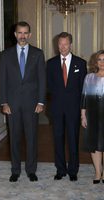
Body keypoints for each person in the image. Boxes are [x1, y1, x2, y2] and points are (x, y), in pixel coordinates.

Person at [0, 21, 46, 182]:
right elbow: (2, 81)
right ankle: (15, 170)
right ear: (15, 34)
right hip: (11, 104)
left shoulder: (38, 54)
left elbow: (42, 79)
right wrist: (4, 102)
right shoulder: (5, 55)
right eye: (20, 33)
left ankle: (31, 170)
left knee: (32, 137)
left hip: (32, 103)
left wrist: (41, 102)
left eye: (26, 33)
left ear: (30, 35)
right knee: (14, 137)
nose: (23, 36)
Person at [47, 32, 87, 181]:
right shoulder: (50, 63)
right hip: (56, 108)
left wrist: (83, 110)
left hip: (74, 109)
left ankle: (73, 170)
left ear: (71, 44)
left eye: (65, 44)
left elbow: (84, 89)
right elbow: (49, 87)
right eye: (60, 44)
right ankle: (60, 169)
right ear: (57, 45)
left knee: (73, 139)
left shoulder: (80, 63)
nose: (63, 47)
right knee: (57, 139)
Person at [81, 50, 104, 184]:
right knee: (94, 144)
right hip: (92, 115)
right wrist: (83, 115)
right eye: (100, 59)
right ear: (96, 62)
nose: (102, 62)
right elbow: (84, 97)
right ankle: (97, 172)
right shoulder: (89, 77)